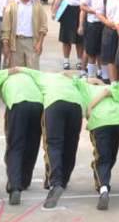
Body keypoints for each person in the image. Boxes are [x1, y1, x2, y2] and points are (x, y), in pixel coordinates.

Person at [10, 67, 88, 208]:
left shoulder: (42, 76)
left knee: (53, 144)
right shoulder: (72, 81)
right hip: (76, 106)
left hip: (55, 104)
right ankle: (63, 181)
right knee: (71, 144)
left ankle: (55, 183)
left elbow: (20, 69)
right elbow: (90, 82)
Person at [0, 65, 43, 205]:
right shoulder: (30, 77)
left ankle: (15, 186)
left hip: (18, 103)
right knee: (32, 143)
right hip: (38, 104)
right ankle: (25, 181)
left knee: (15, 146)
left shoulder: (1, 78)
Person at [84, 78, 119, 210]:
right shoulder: (116, 86)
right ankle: (101, 180)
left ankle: (103, 189)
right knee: (110, 156)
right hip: (118, 121)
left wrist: (90, 107)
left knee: (102, 159)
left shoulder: (85, 87)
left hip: (100, 122)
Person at [0, 0, 47, 69]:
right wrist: (6, 45)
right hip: (15, 43)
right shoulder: (11, 6)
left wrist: (40, 43)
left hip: (32, 42)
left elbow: (43, 26)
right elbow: (6, 28)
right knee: (16, 72)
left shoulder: (37, 5)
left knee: (33, 71)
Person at [53, 0, 88, 71]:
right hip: (67, 11)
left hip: (81, 11)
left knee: (80, 39)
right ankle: (66, 61)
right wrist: (54, 10)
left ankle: (79, 61)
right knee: (66, 38)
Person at [78, 0, 110, 79]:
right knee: (91, 50)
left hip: (106, 24)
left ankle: (104, 74)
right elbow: (82, 6)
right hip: (93, 24)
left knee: (103, 50)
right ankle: (90, 74)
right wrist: (94, 11)